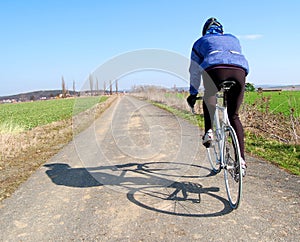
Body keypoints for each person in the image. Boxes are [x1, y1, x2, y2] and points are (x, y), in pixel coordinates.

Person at [187, 17, 249, 176]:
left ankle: (209, 131)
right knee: (234, 115)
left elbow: (194, 72)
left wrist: (193, 94)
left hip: (214, 71)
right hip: (239, 72)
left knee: (209, 97)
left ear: (205, 31)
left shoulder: (200, 42)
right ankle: (241, 160)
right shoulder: (233, 38)